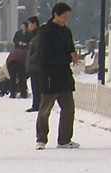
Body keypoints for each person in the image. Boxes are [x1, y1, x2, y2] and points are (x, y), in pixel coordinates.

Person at [36, 3, 80, 151]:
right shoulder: (46, 33)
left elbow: (70, 48)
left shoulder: (66, 32)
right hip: (50, 77)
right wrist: (67, 57)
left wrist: (73, 55)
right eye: (64, 16)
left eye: (68, 17)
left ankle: (64, 139)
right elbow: (45, 56)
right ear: (55, 15)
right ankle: (41, 139)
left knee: (68, 109)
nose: (66, 19)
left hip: (65, 77)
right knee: (44, 111)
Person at [25, 16, 42, 112]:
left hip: (36, 66)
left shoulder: (39, 36)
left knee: (37, 87)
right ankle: (36, 104)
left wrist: (32, 59)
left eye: (30, 24)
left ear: (35, 24)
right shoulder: (33, 36)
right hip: (33, 66)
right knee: (34, 86)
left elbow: (38, 51)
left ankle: (37, 105)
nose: (29, 26)